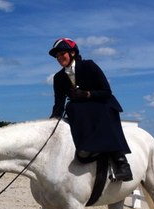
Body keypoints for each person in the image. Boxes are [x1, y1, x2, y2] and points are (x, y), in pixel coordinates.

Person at [48, 37, 133, 181]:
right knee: (72, 108)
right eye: (57, 56)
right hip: (79, 109)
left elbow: (106, 91)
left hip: (101, 103)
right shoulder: (58, 78)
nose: (59, 57)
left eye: (62, 54)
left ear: (72, 53)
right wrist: (53, 121)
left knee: (94, 110)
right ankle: (83, 149)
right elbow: (59, 102)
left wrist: (87, 94)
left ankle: (121, 163)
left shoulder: (89, 66)